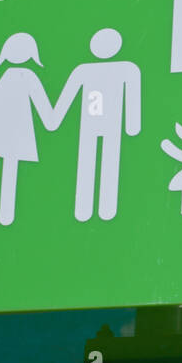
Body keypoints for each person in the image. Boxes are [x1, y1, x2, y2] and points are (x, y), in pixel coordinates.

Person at [0, 32, 58, 226]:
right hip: (12, 131)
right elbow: (43, 107)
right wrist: (52, 119)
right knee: (6, 168)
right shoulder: (27, 76)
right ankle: (2, 216)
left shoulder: (10, 76)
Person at [50, 28, 141, 222]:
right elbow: (68, 95)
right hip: (95, 123)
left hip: (104, 123)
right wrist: (132, 126)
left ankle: (103, 209)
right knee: (94, 161)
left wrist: (132, 125)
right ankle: (86, 209)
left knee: (104, 161)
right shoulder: (86, 70)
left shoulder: (126, 68)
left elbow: (132, 96)